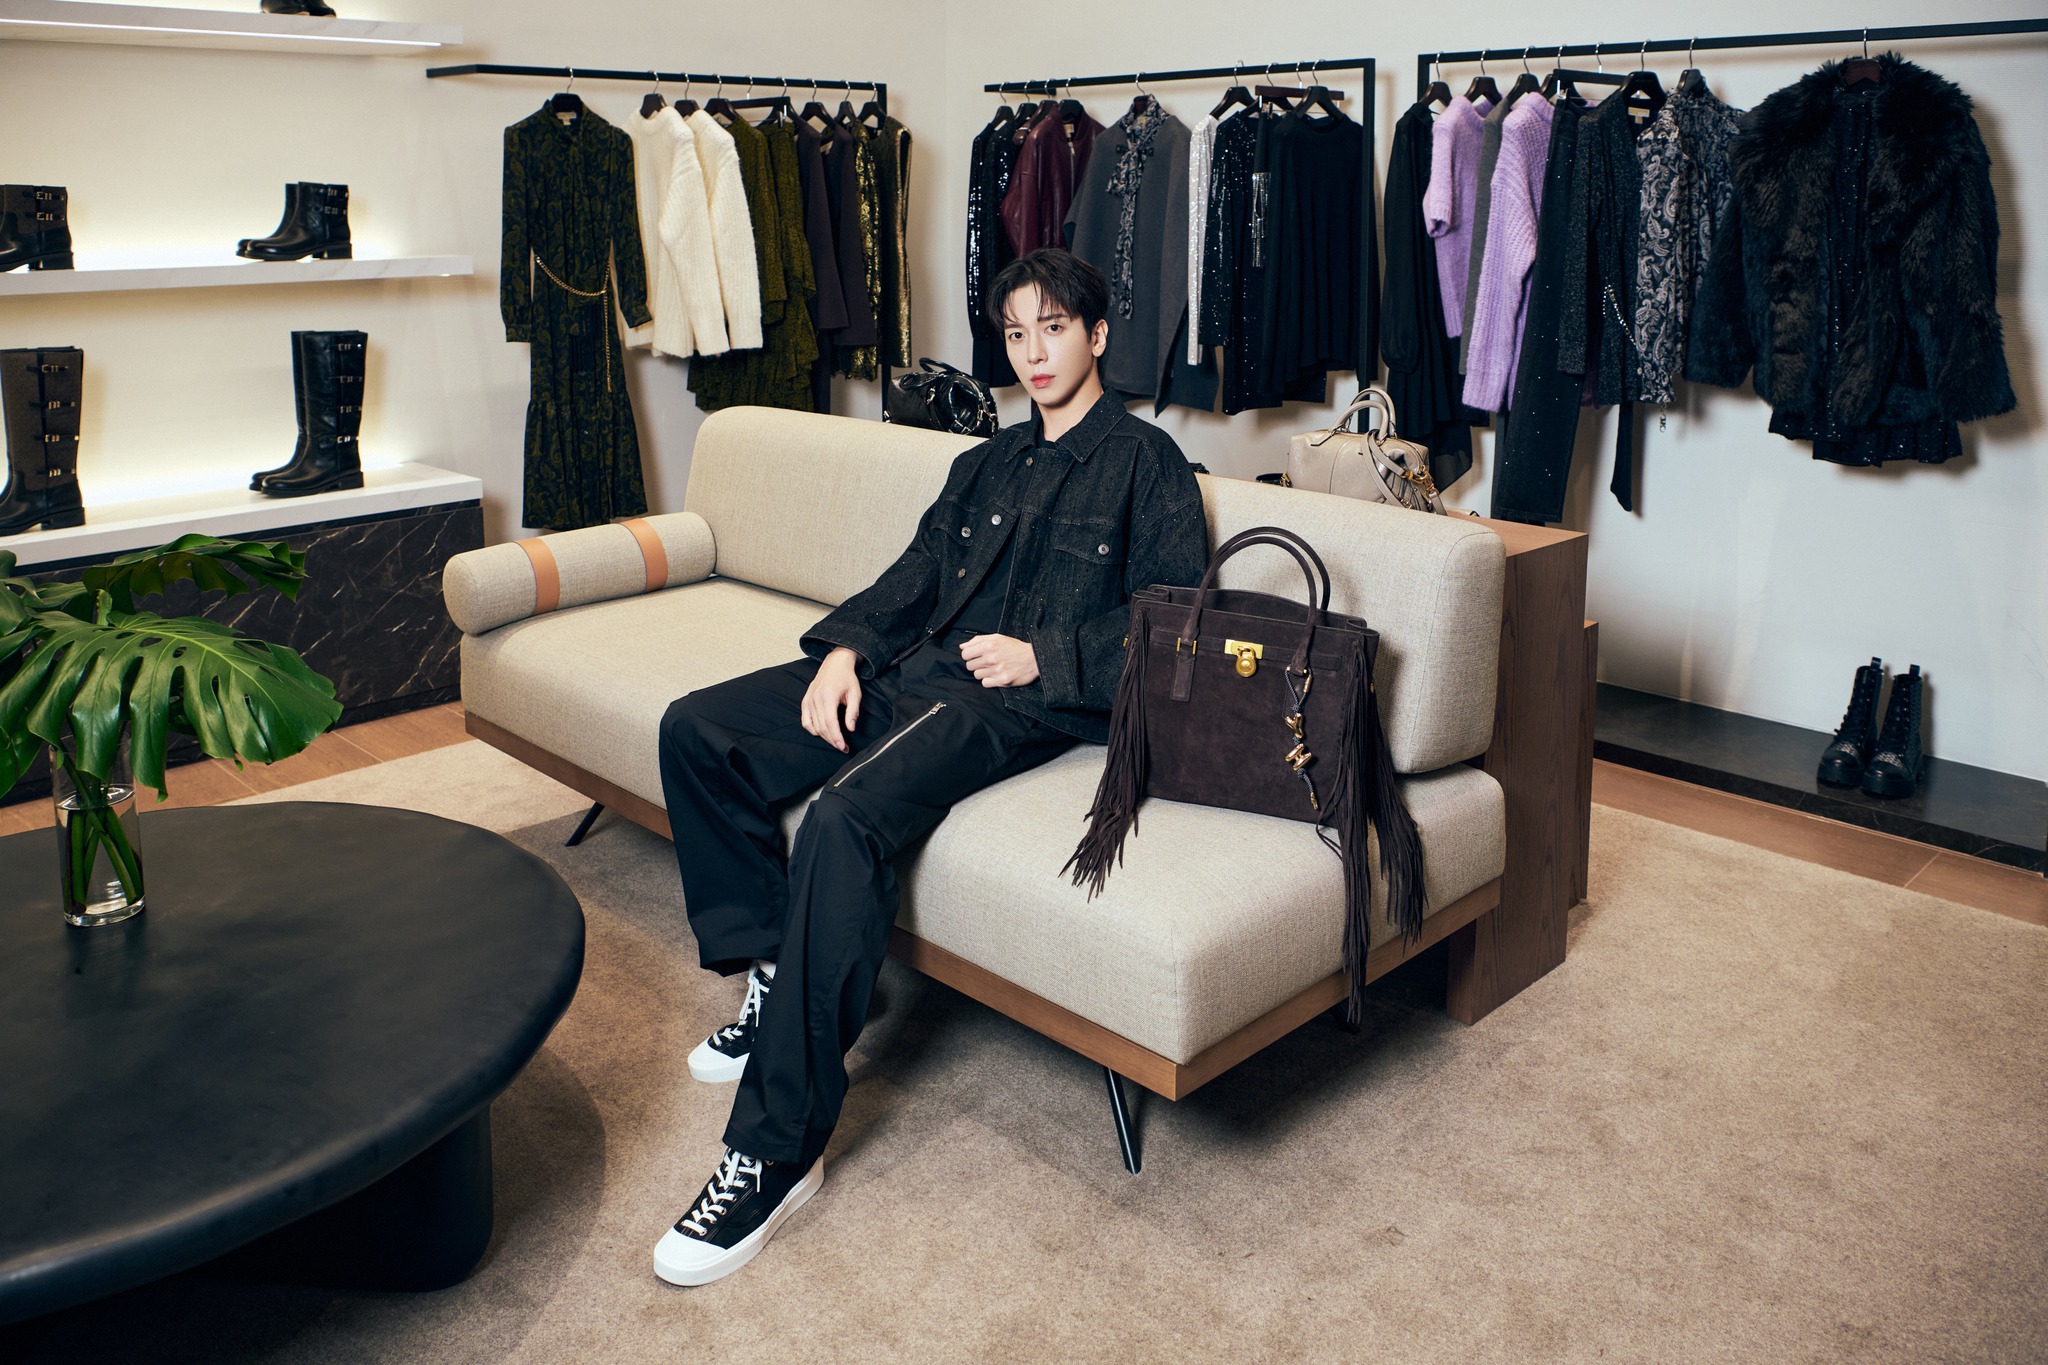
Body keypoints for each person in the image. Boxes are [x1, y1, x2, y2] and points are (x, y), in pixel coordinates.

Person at [651, 248, 1208, 1286]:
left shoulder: (1149, 463)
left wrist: (1048, 656)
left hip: (1016, 706)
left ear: (1095, 335)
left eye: (1053, 328)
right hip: (910, 671)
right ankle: (775, 973)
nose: (1034, 352)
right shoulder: (985, 461)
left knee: (842, 816)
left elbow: (1173, 619)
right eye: (1016, 333)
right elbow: (913, 574)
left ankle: (774, 1154)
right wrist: (846, 651)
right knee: (696, 729)